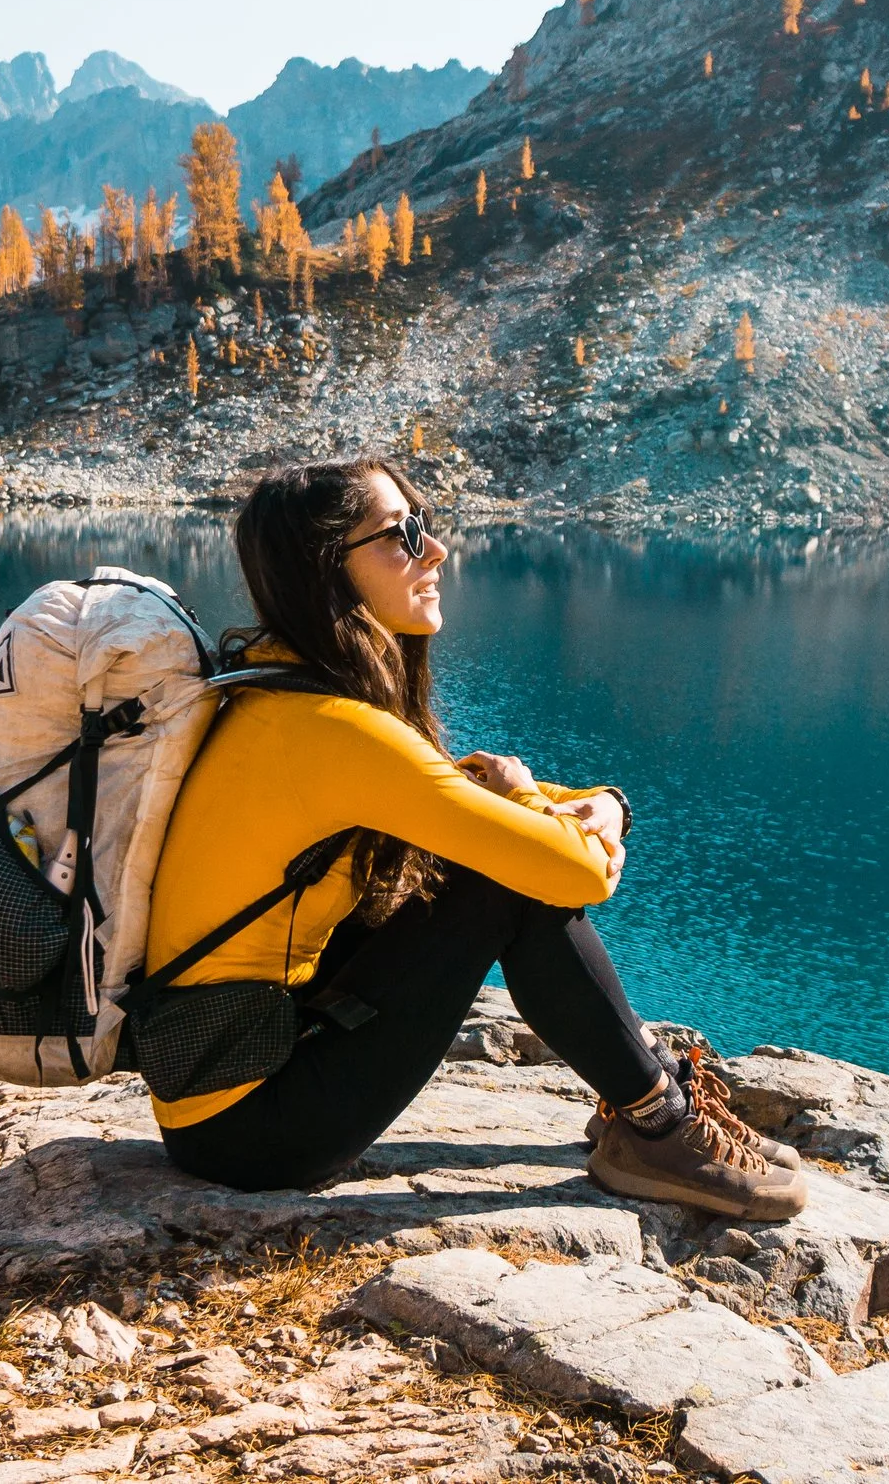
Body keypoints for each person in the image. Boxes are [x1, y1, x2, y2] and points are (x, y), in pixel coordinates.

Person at [144, 458, 805, 1219]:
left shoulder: (275, 690)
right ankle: (656, 1122)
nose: (437, 552)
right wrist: (554, 814)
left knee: (484, 863)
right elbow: (571, 875)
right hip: (254, 1130)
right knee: (505, 884)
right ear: (329, 567)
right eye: (404, 534)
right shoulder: (335, 732)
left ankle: (644, 1100)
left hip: (222, 1083)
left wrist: (600, 803)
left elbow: (448, 792)